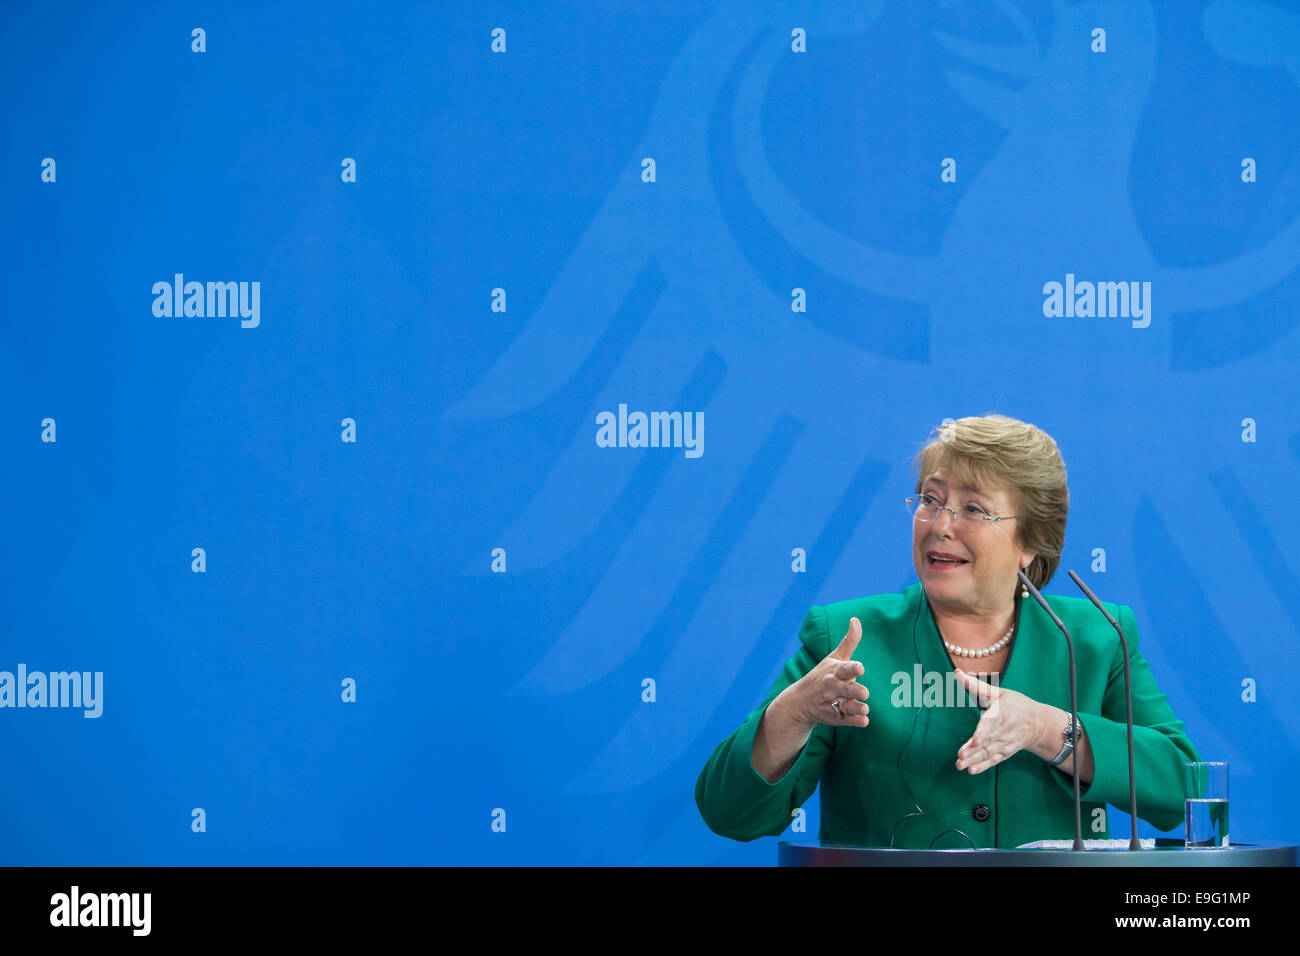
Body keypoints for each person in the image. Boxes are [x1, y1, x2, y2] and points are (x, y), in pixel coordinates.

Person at [695, 414, 1200, 849]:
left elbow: (1183, 789)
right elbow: (729, 812)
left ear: (1031, 542)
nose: (940, 524)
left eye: (975, 509)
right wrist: (792, 714)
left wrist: (1048, 730)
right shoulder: (848, 636)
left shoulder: (1094, 637)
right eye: (931, 500)